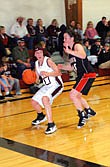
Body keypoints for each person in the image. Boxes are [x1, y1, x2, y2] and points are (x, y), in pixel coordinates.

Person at [58, 30, 96, 128]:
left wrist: (69, 51)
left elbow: (83, 55)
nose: (64, 40)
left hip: (87, 74)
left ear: (72, 39)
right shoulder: (70, 52)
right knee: (77, 96)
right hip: (82, 75)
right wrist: (61, 67)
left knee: (72, 95)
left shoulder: (77, 46)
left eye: (66, 38)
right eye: (63, 38)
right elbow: (72, 67)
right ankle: (89, 110)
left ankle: (82, 115)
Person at [31, 46, 63, 134]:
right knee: (34, 101)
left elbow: (59, 72)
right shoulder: (36, 63)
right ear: (34, 54)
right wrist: (33, 79)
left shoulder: (48, 61)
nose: (39, 54)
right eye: (37, 53)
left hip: (56, 85)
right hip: (47, 86)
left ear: (43, 53)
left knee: (45, 99)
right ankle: (41, 116)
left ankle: (51, 124)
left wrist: (48, 74)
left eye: (40, 52)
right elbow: (37, 78)